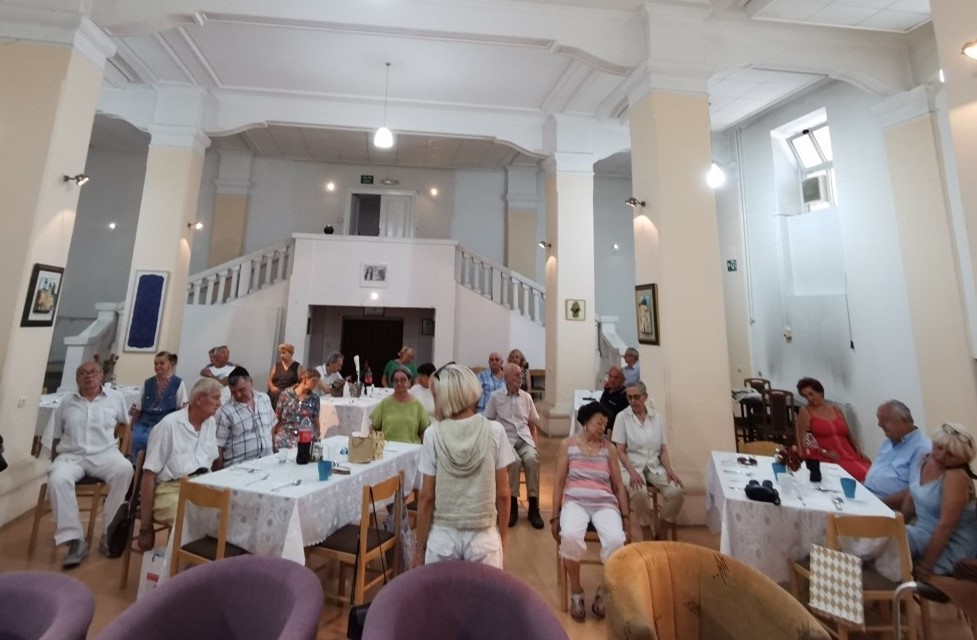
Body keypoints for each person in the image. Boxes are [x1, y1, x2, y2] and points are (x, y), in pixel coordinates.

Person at [413, 364, 514, 568]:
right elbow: (504, 494)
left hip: (443, 536)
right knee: (484, 591)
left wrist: (419, 549)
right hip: (483, 536)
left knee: (441, 591)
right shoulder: (495, 431)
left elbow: (426, 497)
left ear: (446, 398)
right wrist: (502, 540)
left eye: (436, 397)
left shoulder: (433, 434)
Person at [45, 362, 133, 568]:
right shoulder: (67, 402)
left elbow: (126, 426)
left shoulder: (115, 398)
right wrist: (55, 462)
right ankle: (75, 540)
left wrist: (126, 451)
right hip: (72, 455)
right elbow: (56, 435)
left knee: (125, 469)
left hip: (105, 454)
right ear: (77, 379)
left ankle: (109, 532)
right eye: (83, 373)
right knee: (57, 479)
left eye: (93, 372)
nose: (89, 376)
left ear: (102, 376)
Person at [552, 401, 629, 622]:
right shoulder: (568, 445)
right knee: (570, 536)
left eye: (605, 424)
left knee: (616, 540)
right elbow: (559, 482)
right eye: (599, 423)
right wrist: (555, 515)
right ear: (585, 422)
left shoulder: (609, 448)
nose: (603, 428)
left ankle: (604, 589)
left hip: (605, 503)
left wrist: (625, 517)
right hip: (575, 502)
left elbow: (618, 485)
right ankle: (576, 591)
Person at [137, 378, 222, 550]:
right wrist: (146, 527)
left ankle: (200, 563)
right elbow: (149, 475)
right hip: (170, 489)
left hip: (201, 486)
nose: (219, 403)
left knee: (226, 516)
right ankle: (177, 563)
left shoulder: (210, 423)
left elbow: (212, 461)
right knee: (189, 520)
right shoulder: (168, 425)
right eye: (215, 398)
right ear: (199, 399)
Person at [901, 423, 977, 578]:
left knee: (882, 542)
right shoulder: (926, 460)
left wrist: (926, 566)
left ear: (963, 459)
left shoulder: (956, 477)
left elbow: (946, 525)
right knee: (880, 534)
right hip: (922, 534)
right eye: (939, 447)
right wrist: (896, 523)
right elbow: (912, 496)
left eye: (951, 455)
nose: (941, 456)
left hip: (948, 547)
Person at [612, 381, 684, 541]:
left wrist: (670, 471)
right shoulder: (622, 417)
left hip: (653, 465)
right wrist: (632, 472)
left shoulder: (656, 417)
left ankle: (663, 528)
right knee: (638, 491)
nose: (632, 401)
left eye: (636, 397)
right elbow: (620, 451)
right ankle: (645, 529)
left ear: (645, 397)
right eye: (629, 397)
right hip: (630, 466)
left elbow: (662, 449)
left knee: (677, 491)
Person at [484, 363, 544, 529]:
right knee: (514, 462)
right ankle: (513, 506)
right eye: (516, 374)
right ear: (507, 377)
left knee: (531, 459)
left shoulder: (526, 397)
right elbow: (488, 421)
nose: (520, 377)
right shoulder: (496, 397)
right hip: (505, 440)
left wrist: (534, 445)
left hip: (524, 439)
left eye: (520, 374)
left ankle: (534, 507)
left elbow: (532, 425)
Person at [795, 377, 871, 481]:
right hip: (825, 457)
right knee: (855, 475)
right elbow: (804, 440)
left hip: (848, 454)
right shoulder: (805, 412)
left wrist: (859, 450)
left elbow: (848, 433)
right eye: (805, 396)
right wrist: (824, 452)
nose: (809, 398)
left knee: (872, 473)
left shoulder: (836, 410)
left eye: (811, 394)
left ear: (820, 392)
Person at [863, 400, 931, 508]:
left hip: (884, 505)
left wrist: (875, 504)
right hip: (866, 497)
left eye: (884, 420)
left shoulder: (922, 448)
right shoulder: (887, 442)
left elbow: (914, 492)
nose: (879, 424)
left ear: (903, 420)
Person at [129, 351, 188, 461]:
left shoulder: (178, 383)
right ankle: (133, 465)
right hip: (145, 421)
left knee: (153, 440)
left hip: (164, 422)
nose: (157, 366)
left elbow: (182, 408)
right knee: (135, 437)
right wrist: (131, 426)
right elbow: (138, 406)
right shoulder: (148, 382)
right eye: (155, 364)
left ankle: (148, 466)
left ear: (170, 364)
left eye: (161, 363)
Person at [214, 367, 275, 469]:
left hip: (267, 463)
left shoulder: (264, 399)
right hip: (238, 468)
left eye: (242, 390)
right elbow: (218, 447)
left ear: (250, 382)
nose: (238, 395)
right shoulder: (225, 412)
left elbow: (271, 427)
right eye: (233, 392)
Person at [371, 366, 431, 443]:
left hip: (411, 448)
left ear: (409, 382)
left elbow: (424, 430)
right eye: (396, 380)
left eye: (403, 380)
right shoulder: (385, 403)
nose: (399, 383)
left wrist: (423, 446)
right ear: (392, 383)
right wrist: (377, 444)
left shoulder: (417, 405)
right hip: (388, 447)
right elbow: (374, 427)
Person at [274, 369, 321, 450]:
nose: (315, 385)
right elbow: (278, 415)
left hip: (306, 434)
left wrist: (317, 433)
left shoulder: (314, 398)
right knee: (276, 442)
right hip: (287, 433)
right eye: (314, 381)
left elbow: (316, 419)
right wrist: (275, 431)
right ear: (304, 379)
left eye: (317, 382)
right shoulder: (286, 394)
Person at [267, 342, 302, 407]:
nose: (281, 355)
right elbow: (269, 380)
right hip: (275, 392)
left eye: (284, 353)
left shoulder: (298, 366)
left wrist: (291, 389)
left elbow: (300, 382)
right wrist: (272, 387)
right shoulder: (276, 365)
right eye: (280, 353)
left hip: (289, 393)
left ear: (290, 354)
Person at [599, 366, 628, 433]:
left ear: (623, 380)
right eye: (610, 376)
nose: (612, 380)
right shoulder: (607, 390)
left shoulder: (625, 396)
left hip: (613, 432)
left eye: (616, 378)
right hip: (601, 428)